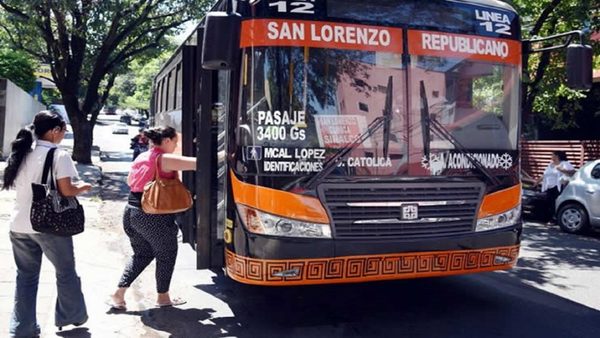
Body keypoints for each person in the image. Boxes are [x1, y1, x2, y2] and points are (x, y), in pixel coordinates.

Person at [2, 111, 92, 337]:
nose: (64, 135)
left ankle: (22, 329)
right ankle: (71, 316)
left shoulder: (22, 152)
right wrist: (83, 187)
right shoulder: (59, 156)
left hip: (19, 225)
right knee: (65, 272)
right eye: (63, 130)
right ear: (53, 131)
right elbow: (66, 190)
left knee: (26, 278)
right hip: (49, 225)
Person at [110, 126, 196, 310]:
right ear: (166, 141)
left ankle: (119, 294)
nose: (175, 146)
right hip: (152, 215)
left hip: (131, 211)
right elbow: (199, 163)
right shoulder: (164, 158)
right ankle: (163, 297)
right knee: (166, 254)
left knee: (143, 254)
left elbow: (129, 181)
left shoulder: (142, 156)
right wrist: (226, 153)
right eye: (175, 142)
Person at [534, 150, 575, 223]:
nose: (551, 157)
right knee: (548, 203)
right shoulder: (550, 165)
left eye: (552, 155)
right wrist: (537, 182)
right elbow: (545, 174)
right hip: (548, 187)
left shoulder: (564, 163)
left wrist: (562, 169)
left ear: (557, 156)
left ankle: (554, 219)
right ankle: (548, 218)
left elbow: (572, 172)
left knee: (554, 203)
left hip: (558, 187)